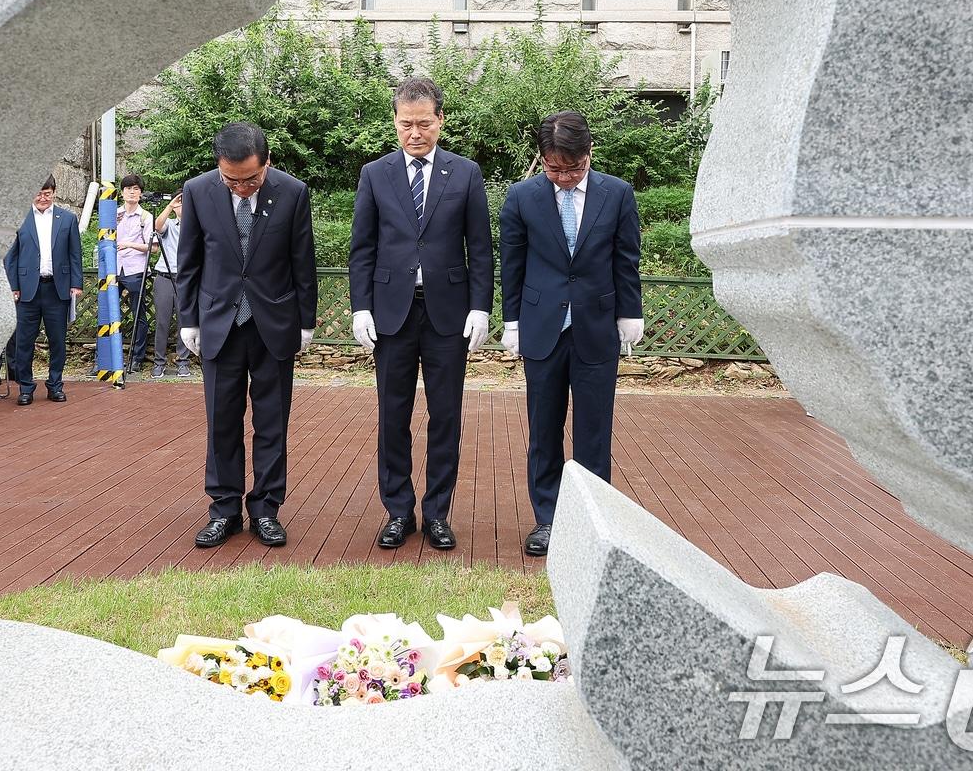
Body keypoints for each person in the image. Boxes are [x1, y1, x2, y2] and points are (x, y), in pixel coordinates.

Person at [349, 76, 493, 551]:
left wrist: (480, 307)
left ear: (440, 121)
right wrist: (361, 307)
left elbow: (481, 248)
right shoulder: (375, 174)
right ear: (395, 122)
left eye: (424, 124)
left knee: (445, 415)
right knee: (393, 415)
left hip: (447, 315)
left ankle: (437, 513)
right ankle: (397, 511)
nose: (415, 133)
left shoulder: (465, 173)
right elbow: (362, 248)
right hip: (391, 314)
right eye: (406, 124)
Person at [498, 111, 643, 556]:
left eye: (572, 168)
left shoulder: (616, 194)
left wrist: (629, 314)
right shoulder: (522, 198)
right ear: (541, 160)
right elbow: (513, 264)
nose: (563, 177)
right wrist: (512, 322)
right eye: (553, 168)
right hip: (543, 329)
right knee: (544, 429)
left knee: (594, 429)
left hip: (597, 328)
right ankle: (548, 518)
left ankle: (593, 520)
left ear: (589, 154)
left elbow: (625, 259)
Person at [176, 122, 317, 548]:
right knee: (222, 421)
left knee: (272, 421)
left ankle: (266, 509)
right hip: (219, 323)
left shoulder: (293, 192)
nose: (240, 188)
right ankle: (224, 510)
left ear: (267, 163)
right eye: (231, 179)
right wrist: (189, 320)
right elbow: (190, 260)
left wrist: (306, 322)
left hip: (272, 324)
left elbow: (302, 262)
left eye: (251, 179)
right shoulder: (199, 191)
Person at [3, 175, 83, 405]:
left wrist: (76, 283)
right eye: (38, 193)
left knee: (57, 340)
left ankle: (55, 384)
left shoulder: (67, 219)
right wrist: (13, 287)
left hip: (56, 289)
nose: (42, 198)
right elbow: (12, 256)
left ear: (54, 192)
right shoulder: (20, 218)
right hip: (28, 289)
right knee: (23, 342)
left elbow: (75, 253)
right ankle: (26, 387)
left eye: (47, 193)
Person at [114, 173, 154, 374]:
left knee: (139, 314)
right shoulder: (114, 214)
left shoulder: (146, 216)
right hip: (114, 268)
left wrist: (129, 244)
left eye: (136, 188)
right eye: (128, 188)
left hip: (136, 269)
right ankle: (107, 358)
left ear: (140, 192)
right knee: (109, 314)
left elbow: (152, 247)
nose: (132, 192)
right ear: (122, 192)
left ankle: (136, 358)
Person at [149, 192, 191, 378]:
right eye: (178, 202)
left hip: (186, 279)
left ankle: (183, 361)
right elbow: (156, 226)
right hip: (165, 277)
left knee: (185, 322)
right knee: (162, 322)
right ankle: (159, 362)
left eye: (184, 202)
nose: (180, 205)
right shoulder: (169, 224)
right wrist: (170, 206)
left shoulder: (195, 226)